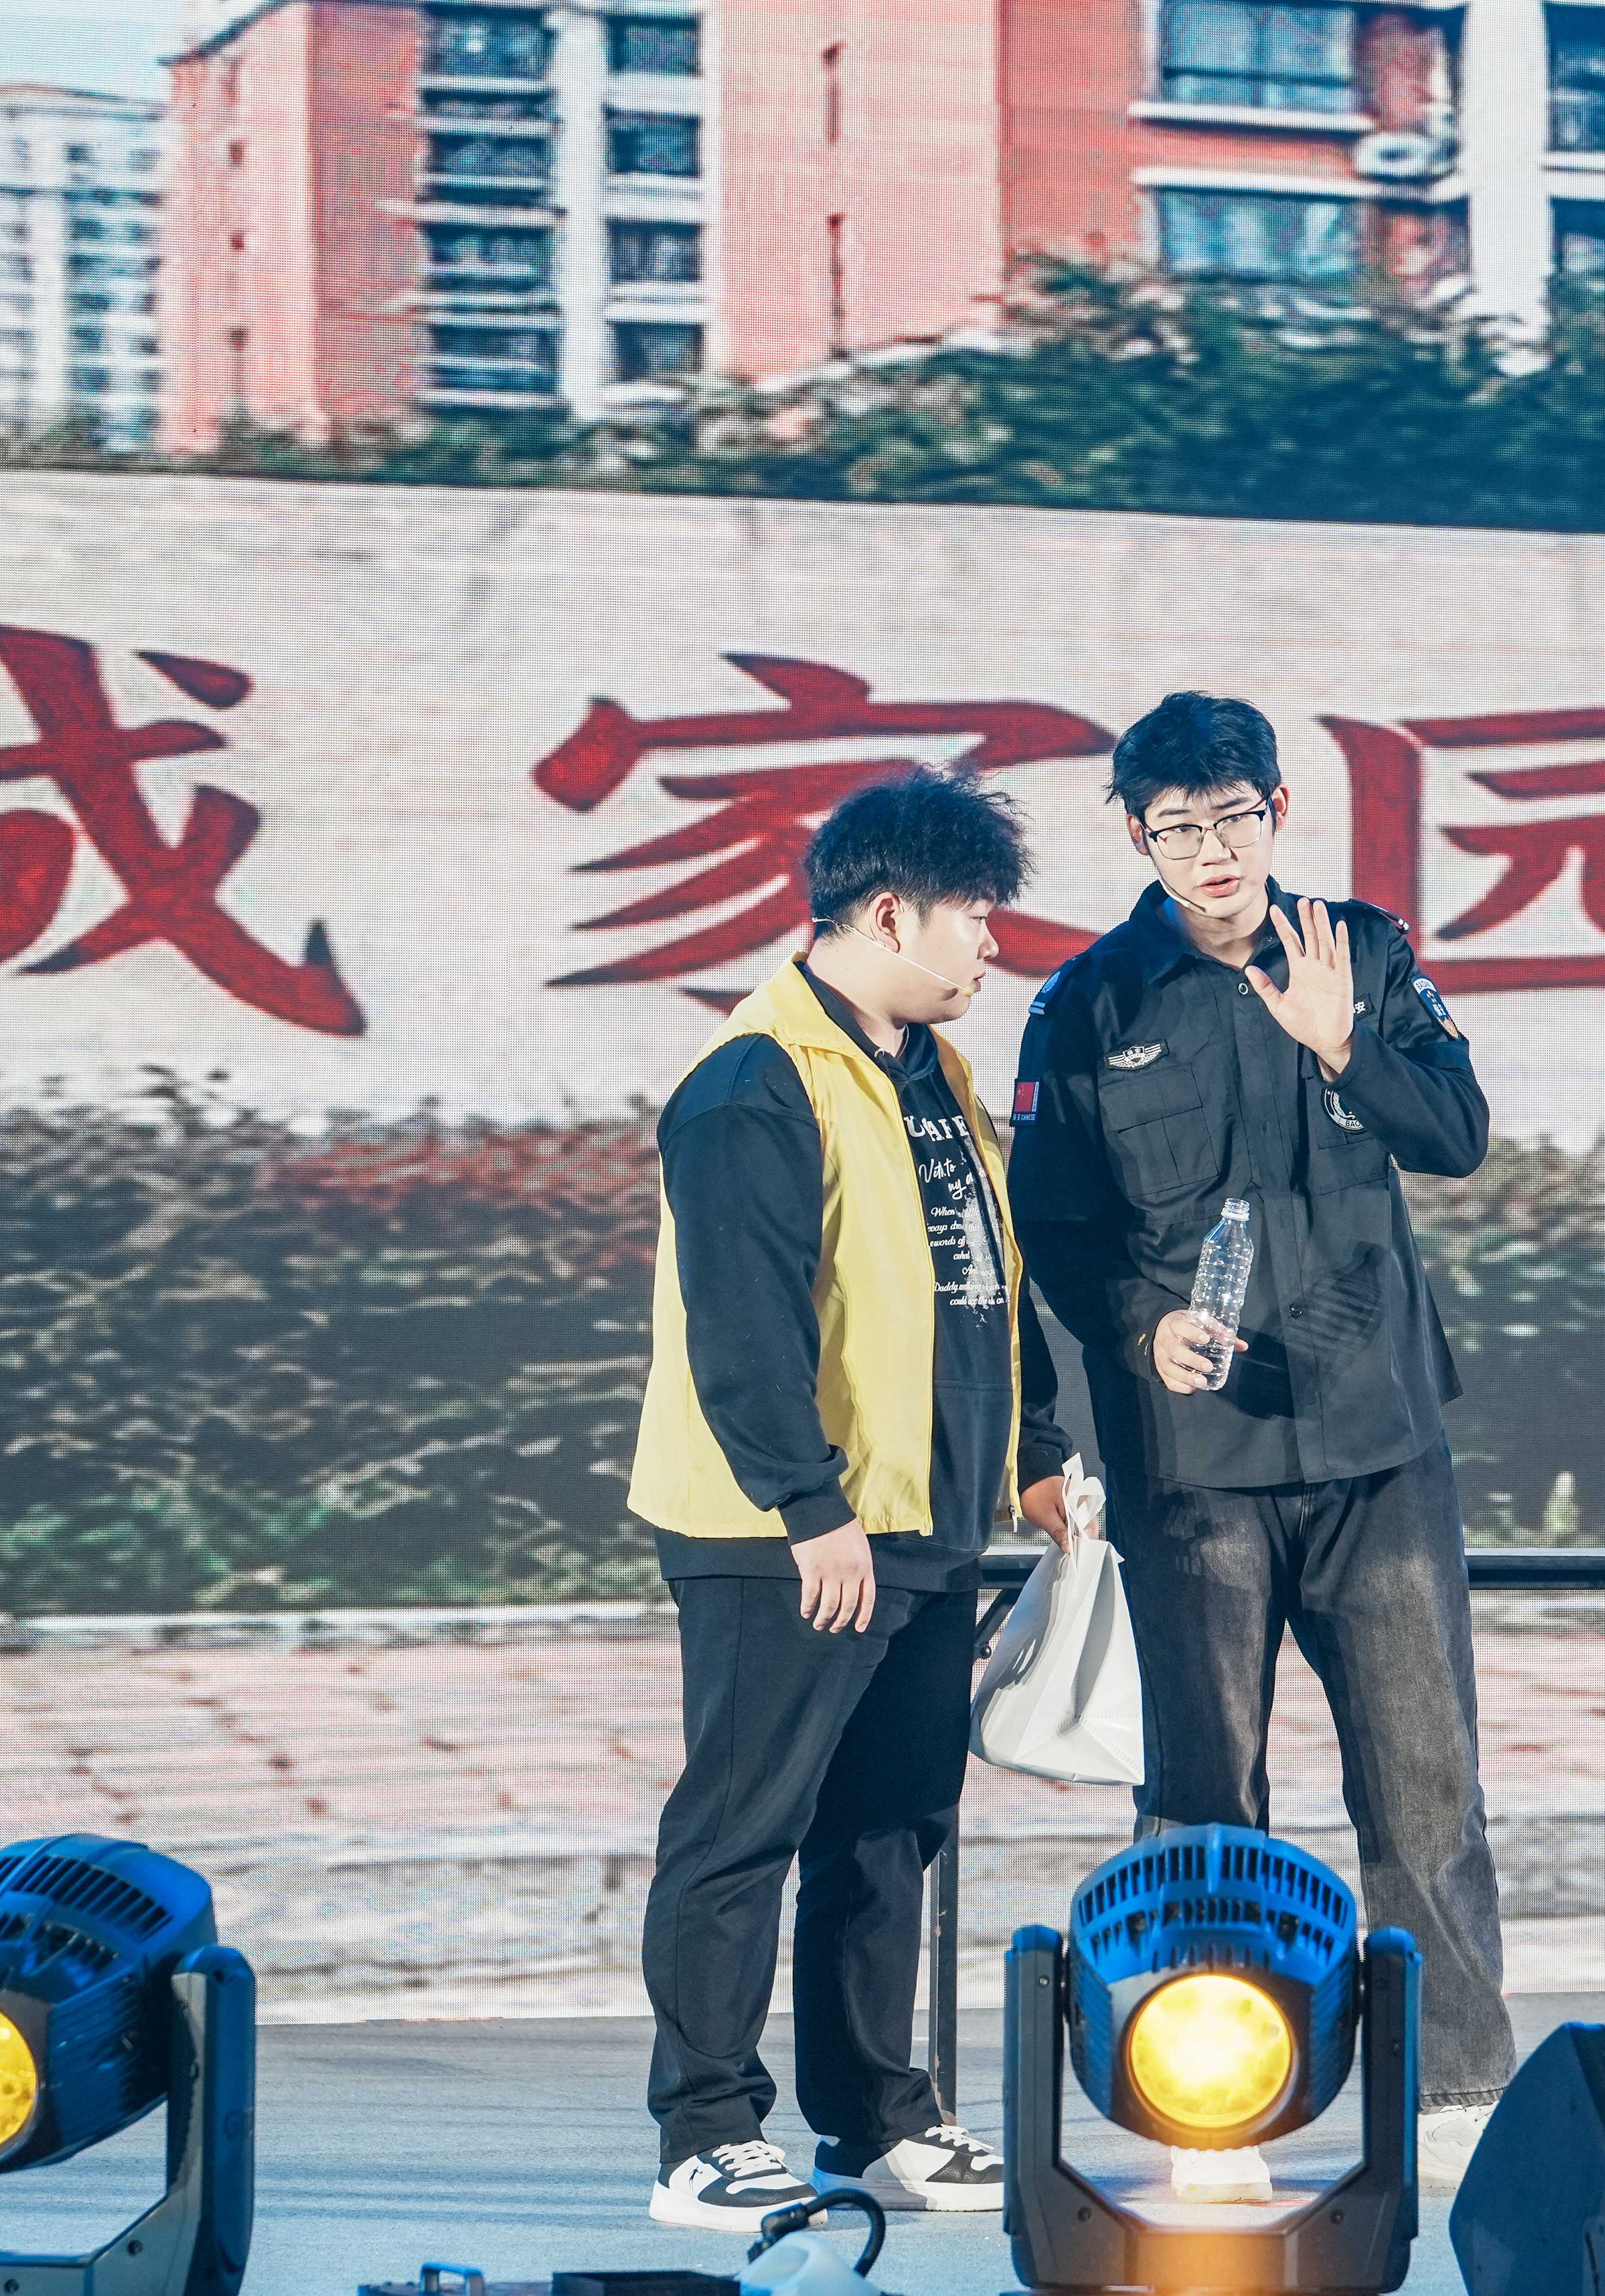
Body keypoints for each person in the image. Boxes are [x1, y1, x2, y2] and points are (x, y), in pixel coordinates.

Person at [1005, 691, 1514, 2195]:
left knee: (1425, 1788)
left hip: (1379, 1451)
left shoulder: (1363, 952)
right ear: (1138, 836)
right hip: (1193, 1465)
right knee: (1203, 1794)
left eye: (1234, 817)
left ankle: (1458, 2095)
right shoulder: (1088, 1004)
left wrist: (1345, 1043)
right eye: (1178, 827)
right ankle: (1210, 2109)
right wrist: (1138, 1327)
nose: (1212, 850)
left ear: (1279, 810)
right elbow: (1055, 1231)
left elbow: (1457, 1135)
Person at [629, 766, 1074, 2229]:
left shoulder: (935, 1074)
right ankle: (703, 2135)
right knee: (741, 1828)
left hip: (927, 1520)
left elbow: (987, 1284)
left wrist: (1032, 1452)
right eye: (975, 915)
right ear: (892, 914)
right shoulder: (754, 1082)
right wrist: (807, 1508)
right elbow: (742, 1324)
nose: (992, 944)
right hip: (788, 1536)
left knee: (891, 1827)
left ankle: (876, 2121)